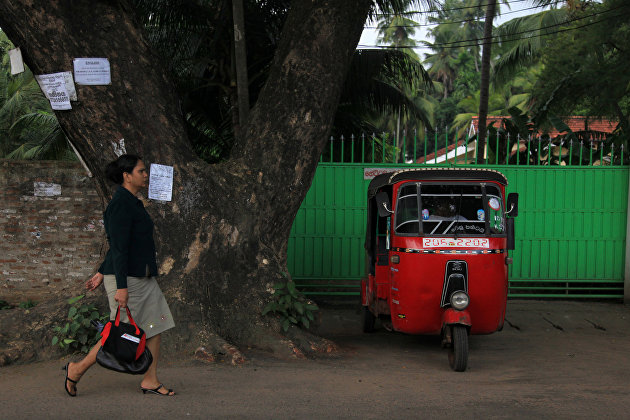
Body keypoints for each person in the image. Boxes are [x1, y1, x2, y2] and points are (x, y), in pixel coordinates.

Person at [63, 154, 176, 397]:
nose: (146, 175)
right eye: (141, 171)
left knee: (156, 325)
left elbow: (122, 245)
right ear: (127, 176)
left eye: (145, 171)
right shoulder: (120, 205)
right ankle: (76, 370)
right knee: (117, 333)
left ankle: (150, 379)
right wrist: (120, 286)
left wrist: (102, 271)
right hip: (127, 279)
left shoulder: (133, 202)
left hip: (142, 276)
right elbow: (119, 247)